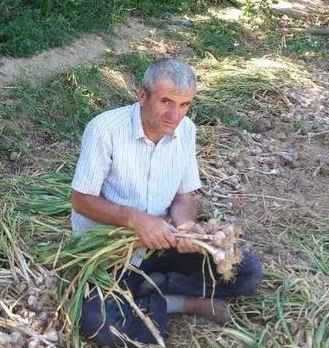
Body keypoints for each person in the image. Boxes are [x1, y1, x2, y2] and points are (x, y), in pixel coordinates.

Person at [71, 57, 263, 346]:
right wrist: (135, 220)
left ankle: (152, 286)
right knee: (102, 324)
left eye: (185, 105)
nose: (175, 115)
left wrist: (185, 225)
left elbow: (183, 197)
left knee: (246, 272)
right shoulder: (105, 130)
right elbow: (81, 200)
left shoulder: (186, 131)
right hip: (110, 253)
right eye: (166, 102)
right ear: (142, 95)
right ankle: (176, 302)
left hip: (162, 243)